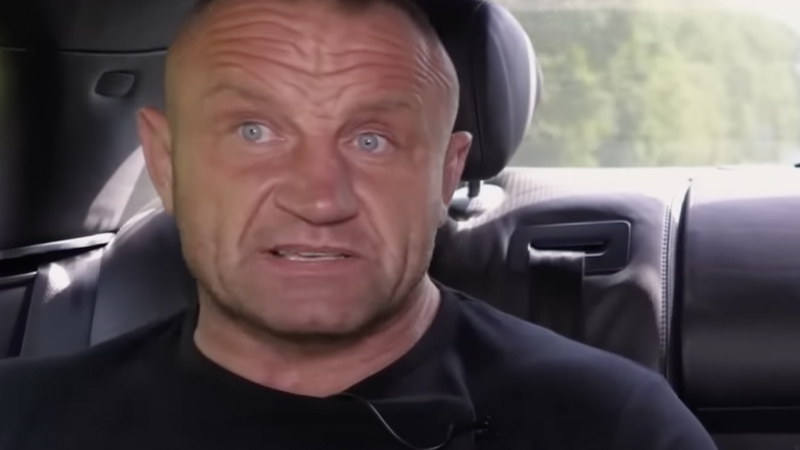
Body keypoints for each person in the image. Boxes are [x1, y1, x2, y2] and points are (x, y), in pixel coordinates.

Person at [0, 0, 718, 449]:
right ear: (166, 162)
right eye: (254, 132)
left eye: (372, 140)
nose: (319, 198)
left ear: (446, 173)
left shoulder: (613, 427)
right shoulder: (23, 416)